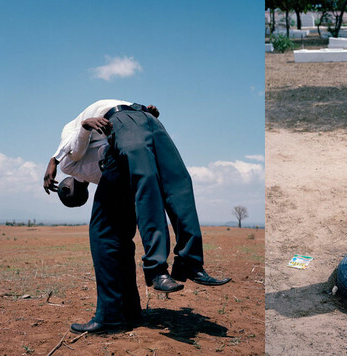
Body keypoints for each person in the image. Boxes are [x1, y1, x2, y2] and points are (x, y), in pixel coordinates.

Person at [44, 99, 230, 333]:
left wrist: (56, 156)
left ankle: (130, 298)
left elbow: (74, 146)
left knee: (107, 233)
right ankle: (183, 267)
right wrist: (143, 115)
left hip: (126, 121)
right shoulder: (97, 173)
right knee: (176, 184)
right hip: (144, 124)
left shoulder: (70, 167)